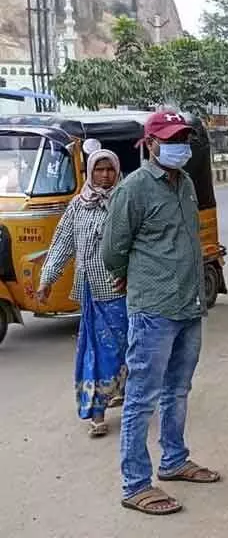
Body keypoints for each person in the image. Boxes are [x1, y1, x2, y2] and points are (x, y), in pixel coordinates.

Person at [103, 111, 220, 516]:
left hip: (189, 304)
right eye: (170, 139)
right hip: (154, 309)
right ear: (150, 144)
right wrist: (130, 278)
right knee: (141, 398)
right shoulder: (133, 189)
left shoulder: (185, 183)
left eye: (183, 138)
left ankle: (174, 459)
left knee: (178, 389)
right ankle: (135, 483)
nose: (179, 146)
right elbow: (112, 251)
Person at [39, 149, 127, 438]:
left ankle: (121, 391)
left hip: (122, 290)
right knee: (99, 351)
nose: (105, 175)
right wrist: (47, 279)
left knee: (125, 348)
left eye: (110, 169)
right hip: (92, 291)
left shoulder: (126, 201)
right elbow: (62, 243)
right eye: (99, 169)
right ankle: (97, 411)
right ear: (90, 172)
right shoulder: (78, 205)